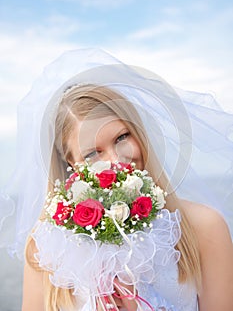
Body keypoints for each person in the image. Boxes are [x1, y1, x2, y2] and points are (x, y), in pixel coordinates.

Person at [1, 49, 233, 310]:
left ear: (139, 133)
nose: (115, 160)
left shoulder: (204, 228)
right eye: (92, 153)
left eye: (122, 137)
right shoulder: (45, 247)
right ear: (72, 165)